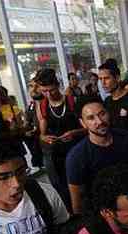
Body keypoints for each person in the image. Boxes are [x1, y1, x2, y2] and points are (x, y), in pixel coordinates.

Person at [66, 97, 128, 215]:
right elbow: (78, 205)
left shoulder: (125, 138)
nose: (99, 121)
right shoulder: (76, 157)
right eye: (91, 118)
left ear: (108, 113)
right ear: (83, 123)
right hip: (100, 215)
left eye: (102, 114)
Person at [34, 68, 86, 206]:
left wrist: (73, 133)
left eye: (51, 90)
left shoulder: (72, 101)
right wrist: (44, 137)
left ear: (57, 85)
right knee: (60, 185)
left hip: (76, 149)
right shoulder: (42, 105)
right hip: (55, 152)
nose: (48, 94)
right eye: (44, 91)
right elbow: (42, 133)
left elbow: (87, 128)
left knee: (80, 183)